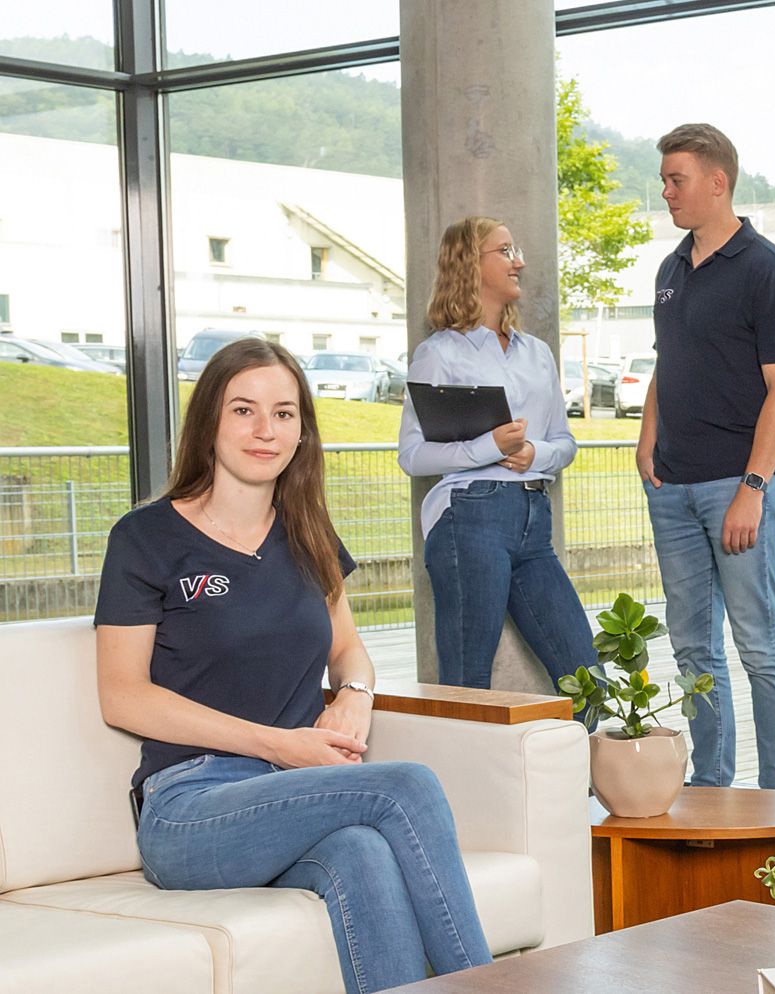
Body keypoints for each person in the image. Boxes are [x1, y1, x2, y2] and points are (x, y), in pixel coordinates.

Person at [95, 338, 489, 993]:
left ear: (302, 430)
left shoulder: (307, 531)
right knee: (407, 785)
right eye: (243, 410)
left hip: (287, 794)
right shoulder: (145, 538)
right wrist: (279, 743)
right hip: (189, 808)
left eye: (283, 413)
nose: (265, 430)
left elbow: (348, 650)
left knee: (362, 851)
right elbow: (123, 696)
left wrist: (354, 694)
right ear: (209, 425)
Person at [637, 122, 775, 789]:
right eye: (664, 180)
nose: (666, 192)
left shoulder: (769, 270)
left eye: (676, 179)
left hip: (737, 490)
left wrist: (753, 486)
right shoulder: (671, 269)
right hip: (673, 490)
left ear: (717, 181)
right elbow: (667, 361)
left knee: (759, 647)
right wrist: (647, 435)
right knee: (692, 649)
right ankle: (711, 787)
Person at [398, 216, 592, 691]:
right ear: (470, 263)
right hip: (469, 517)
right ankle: (455, 770)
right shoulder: (440, 353)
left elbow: (565, 442)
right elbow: (412, 455)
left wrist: (534, 452)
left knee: (588, 679)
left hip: (533, 520)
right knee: (468, 683)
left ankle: (573, 768)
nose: (519, 262)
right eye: (504, 252)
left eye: (515, 250)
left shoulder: (538, 354)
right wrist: (490, 446)